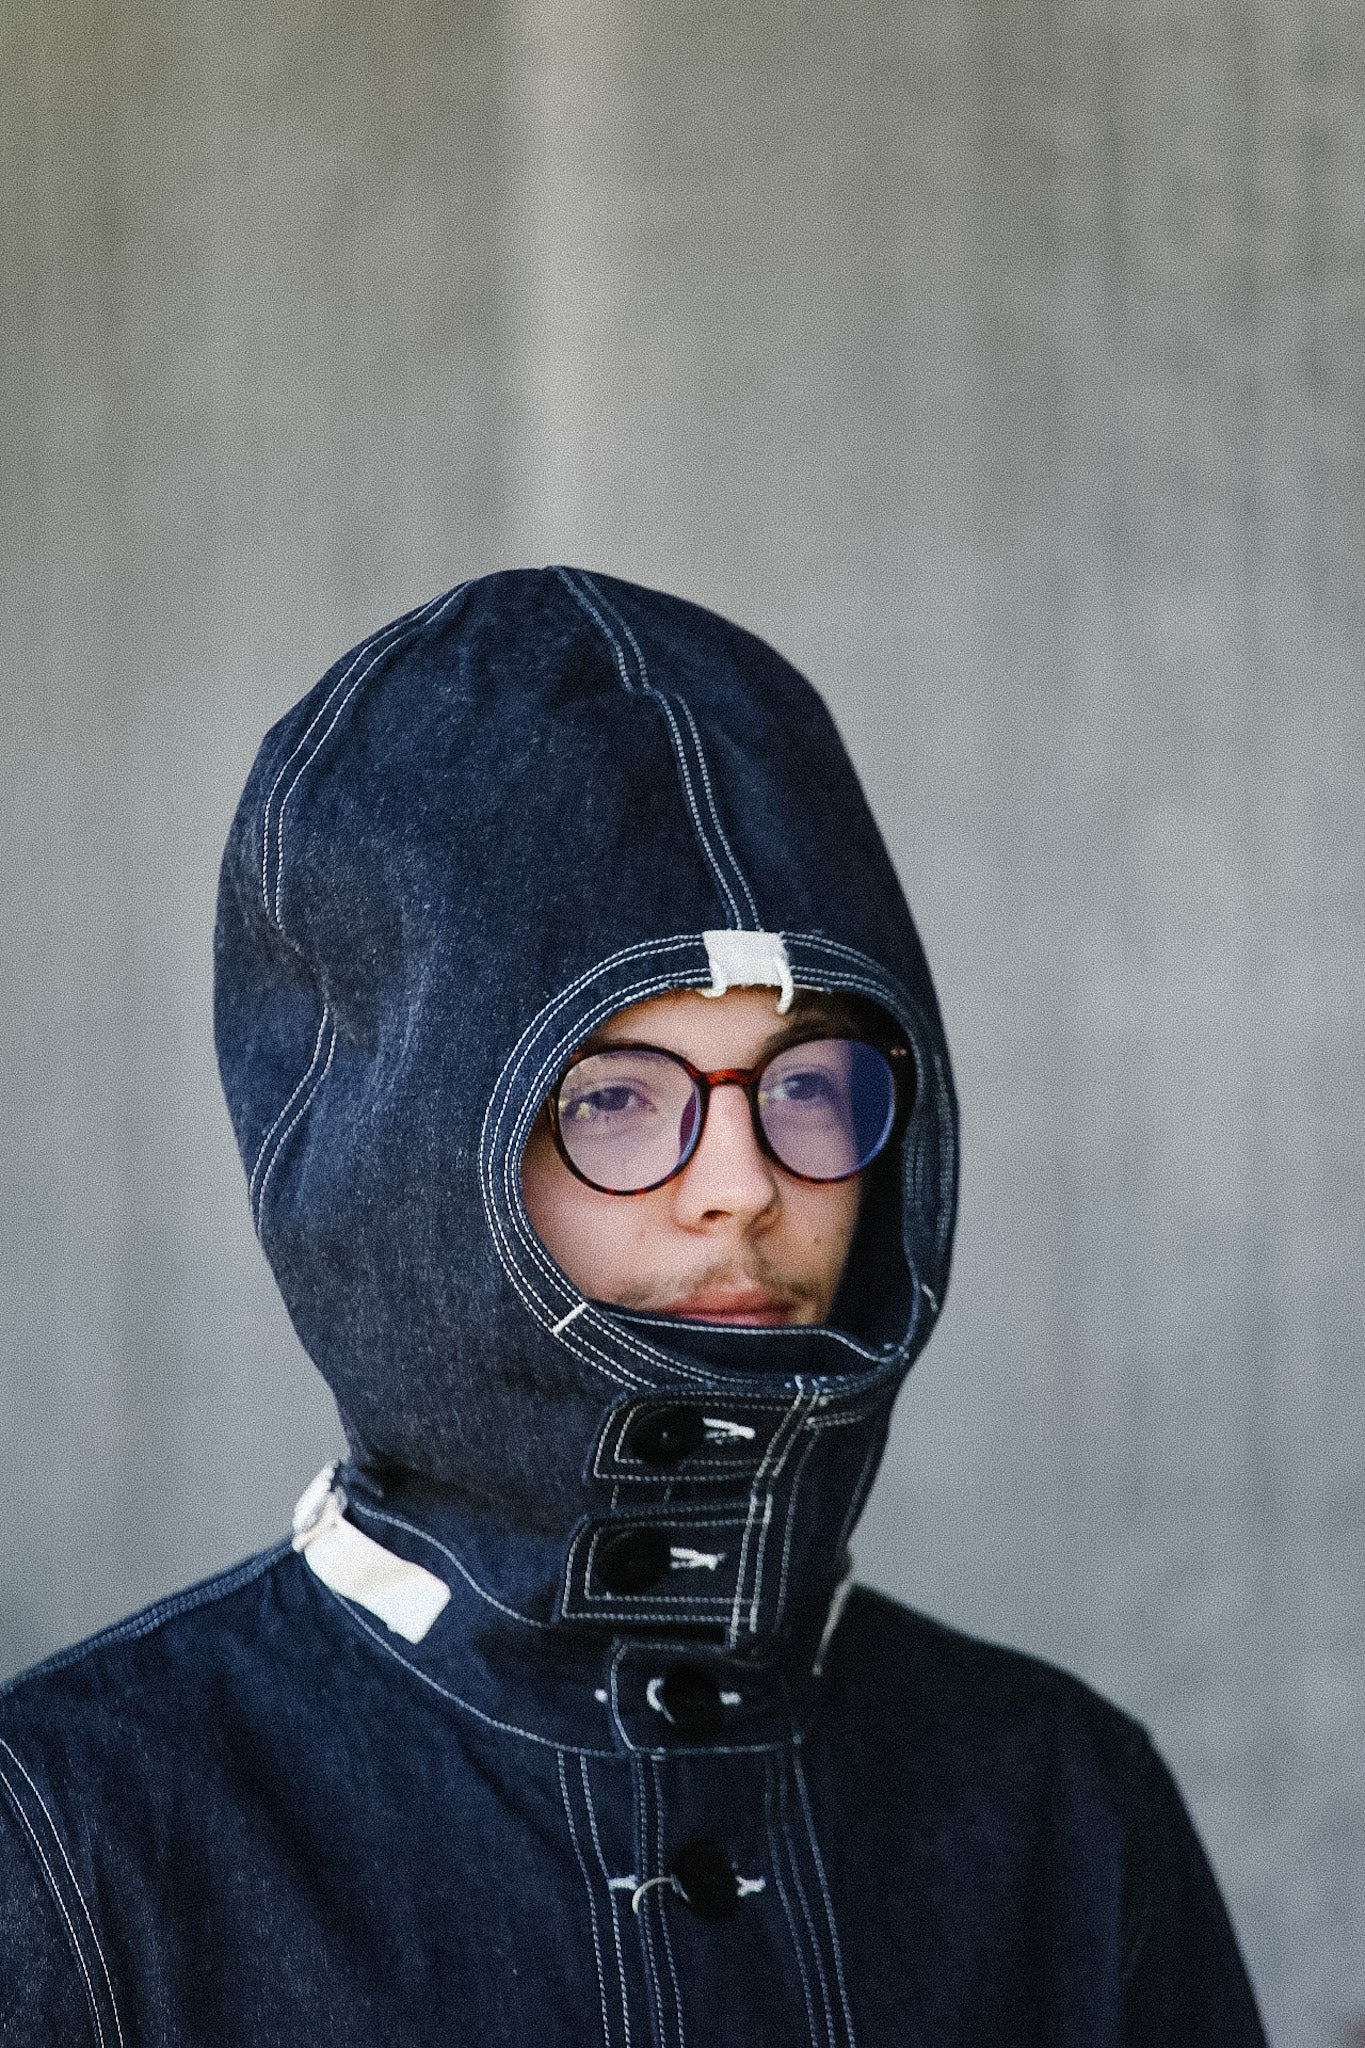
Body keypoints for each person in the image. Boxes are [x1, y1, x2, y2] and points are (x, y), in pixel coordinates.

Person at [0, 567, 1266, 2044]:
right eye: (610, 1097)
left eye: (805, 1083)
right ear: (394, 1165)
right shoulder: (73, 1834)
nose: (738, 1183)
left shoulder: (1060, 1805)